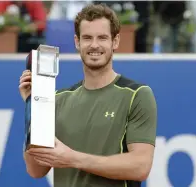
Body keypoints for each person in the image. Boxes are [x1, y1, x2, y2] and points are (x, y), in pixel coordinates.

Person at [19, 4, 157, 187]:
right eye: (87, 38)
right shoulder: (58, 99)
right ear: (77, 42)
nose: (94, 45)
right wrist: (33, 105)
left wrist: (73, 159)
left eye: (102, 38)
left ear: (115, 42)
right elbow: (36, 170)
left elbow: (140, 167)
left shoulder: (137, 95)